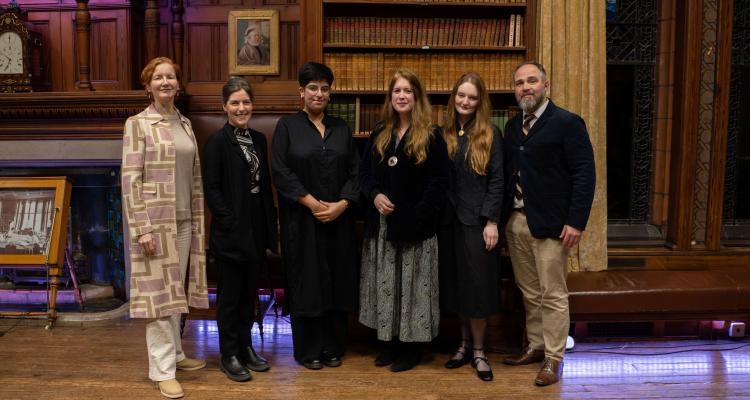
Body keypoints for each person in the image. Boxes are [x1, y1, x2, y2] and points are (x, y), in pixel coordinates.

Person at [501, 61, 595, 386]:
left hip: (554, 225)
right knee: (529, 291)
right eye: (519, 83)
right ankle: (536, 345)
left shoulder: (567, 123)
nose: (525, 87)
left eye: (531, 81)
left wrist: (576, 221)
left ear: (546, 85)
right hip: (516, 222)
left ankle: (554, 360)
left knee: (553, 293)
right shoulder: (513, 127)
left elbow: (585, 174)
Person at [121, 56, 209, 399]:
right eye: (158, 78)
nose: (165, 82)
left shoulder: (184, 123)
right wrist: (142, 227)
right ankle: (162, 370)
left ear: (178, 84)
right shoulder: (138, 125)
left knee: (175, 295)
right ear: (148, 85)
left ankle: (174, 353)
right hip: (155, 224)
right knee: (159, 298)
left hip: (185, 221)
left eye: (170, 77)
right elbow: (130, 180)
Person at [359, 68, 450, 373]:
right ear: (390, 97)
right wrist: (374, 195)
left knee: (413, 289)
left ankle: (411, 350)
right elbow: (365, 175)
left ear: (417, 96)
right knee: (388, 286)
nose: (401, 96)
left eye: (408, 90)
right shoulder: (379, 133)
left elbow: (439, 182)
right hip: (384, 226)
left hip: (417, 227)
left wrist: (418, 214)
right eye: (397, 91)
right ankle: (390, 343)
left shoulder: (432, 135)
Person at [271, 62, 360, 370]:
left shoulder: (341, 128)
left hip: (338, 221)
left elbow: (355, 172)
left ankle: (334, 346)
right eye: (312, 88)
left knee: (336, 280)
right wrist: (312, 204)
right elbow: (280, 172)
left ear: (329, 93)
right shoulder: (287, 126)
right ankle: (308, 349)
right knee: (307, 281)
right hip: (302, 221)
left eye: (324, 88)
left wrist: (342, 205)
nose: (318, 93)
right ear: (302, 92)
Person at [202, 77, 277, 382]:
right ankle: (229, 353)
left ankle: (246, 347)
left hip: (256, 228)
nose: (241, 108)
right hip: (231, 232)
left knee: (249, 294)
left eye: (246, 102)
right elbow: (213, 189)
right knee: (230, 296)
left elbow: (264, 183)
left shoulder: (258, 139)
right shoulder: (217, 142)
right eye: (235, 102)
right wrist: (229, 222)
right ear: (224, 107)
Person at [438, 72, 503, 382]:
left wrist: (492, 221)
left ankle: (479, 351)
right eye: (460, 95)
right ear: (454, 98)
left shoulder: (490, 134)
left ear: (480, 102)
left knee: (477, 289)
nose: (465, 101)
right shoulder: (444, 133)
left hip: (478, 224)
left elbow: (497, 181)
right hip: (448, 224)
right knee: (457, 287)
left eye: (472, 97)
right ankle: (463, 345)